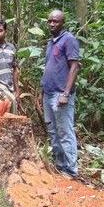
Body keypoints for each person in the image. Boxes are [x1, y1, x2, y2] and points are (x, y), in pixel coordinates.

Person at [40, 9, 80, 177]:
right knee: (53, 132)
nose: (51, 24)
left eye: (55, 21)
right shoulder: (51, 42)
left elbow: (74, 66)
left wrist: (66, 92)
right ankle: (60, 165)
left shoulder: (69, 40)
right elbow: (50, 68)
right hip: (48, 93)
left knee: (65, 132)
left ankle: (71, 170)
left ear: (62, 22)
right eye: (49, 21)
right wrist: (41, 91)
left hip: (60, 94)